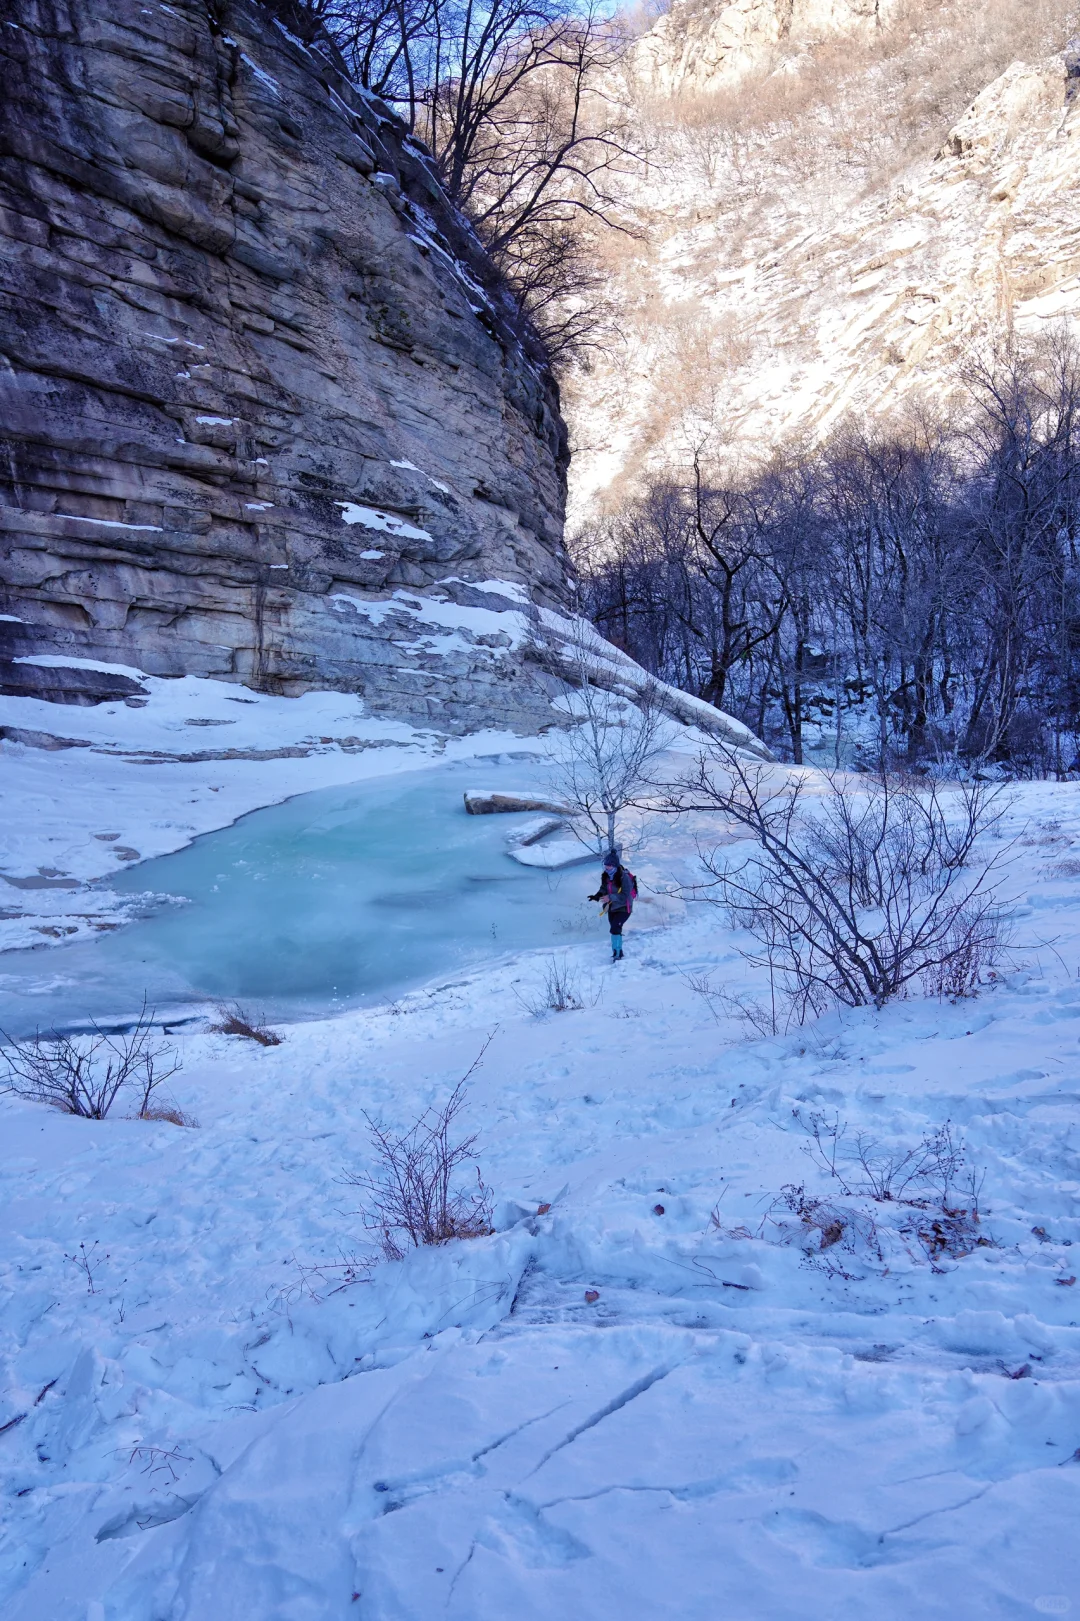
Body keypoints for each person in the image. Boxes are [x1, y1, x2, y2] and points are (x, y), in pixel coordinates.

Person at [589, 851, 637, 962]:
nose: (606, 867)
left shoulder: (624, 878)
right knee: (615, 929)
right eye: (606, 865)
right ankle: (616, 951)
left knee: (615, 927)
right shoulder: (605, 875)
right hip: (612, 907)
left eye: (609, 865)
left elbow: (625, 895)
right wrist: (597, 896)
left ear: (614, 865)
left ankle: (618, 953)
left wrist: (610, 897)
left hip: (625, 907)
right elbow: (603, 888)